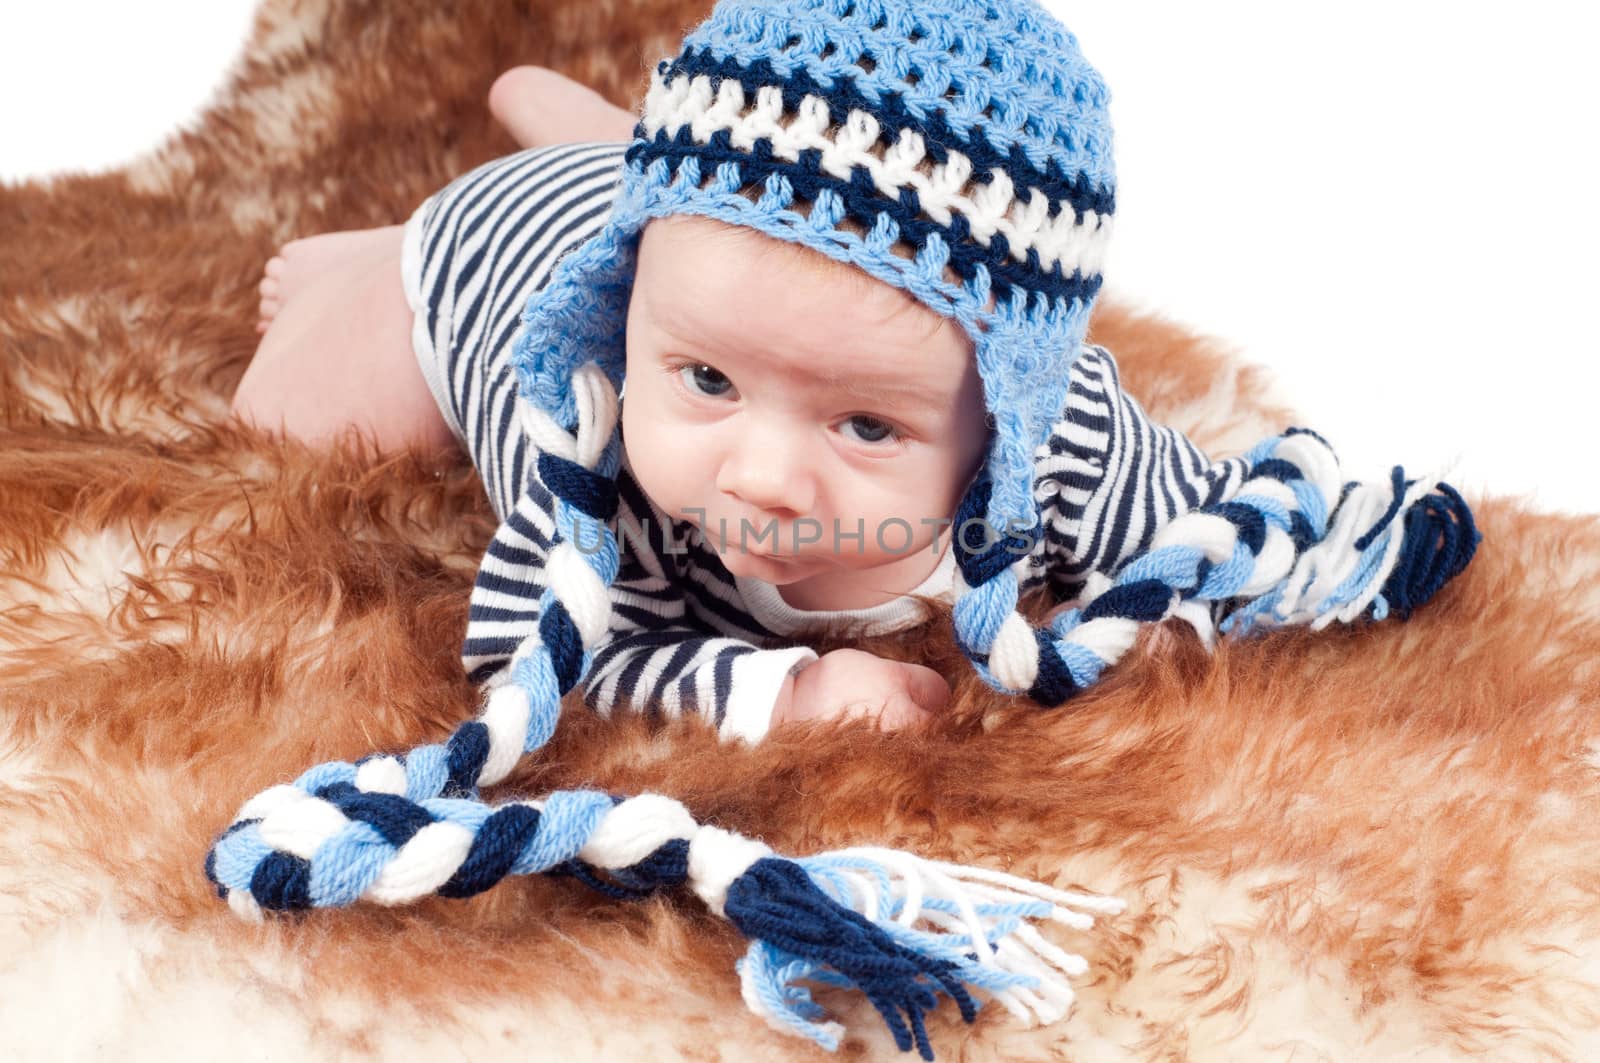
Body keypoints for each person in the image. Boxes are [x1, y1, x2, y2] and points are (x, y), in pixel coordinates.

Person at [229, 0, 1475, 745]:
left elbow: (1227, 522)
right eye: (706, 385)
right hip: (488, 255)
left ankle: (623, 155)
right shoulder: (603, 461)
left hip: (676, 237)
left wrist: (1245, 584)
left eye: (867, 424)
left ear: (1011, 410)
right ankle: (390, 252)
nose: (762, 478)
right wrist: (787, 691)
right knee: (284, 422)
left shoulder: (1069, 441)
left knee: (734, 272)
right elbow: (540, 651)